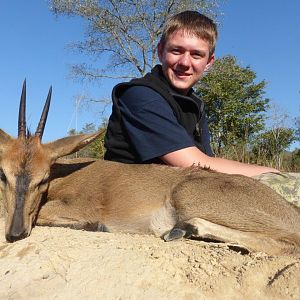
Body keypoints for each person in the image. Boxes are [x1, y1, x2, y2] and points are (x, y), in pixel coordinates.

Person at [104, 10, 279, 177]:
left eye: (196, 54)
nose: (185, 62)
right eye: (176, 51)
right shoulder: (140, 95)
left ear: (209, 62)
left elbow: (208, 161)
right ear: (160, 52)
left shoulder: (195, 104)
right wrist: (273, 174)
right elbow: (193, 163)